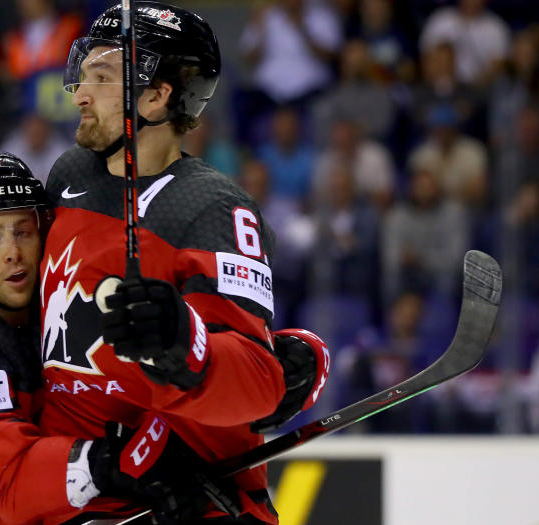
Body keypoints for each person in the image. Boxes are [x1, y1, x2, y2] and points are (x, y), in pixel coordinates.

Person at [41, 3, 330, 522]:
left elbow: (257, 384)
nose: (80, 94)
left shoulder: (214, 208)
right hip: (84, 493)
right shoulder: (69, 174)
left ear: (157, 95)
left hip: (190, 504)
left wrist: (185, 343)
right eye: (82, 75)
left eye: (101, 77)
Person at [0, 153, 213, 524]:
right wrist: (112, 464)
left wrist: (270, 356)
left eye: (22, 230)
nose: (12, 253)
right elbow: (7, 481)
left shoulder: (78, 300)